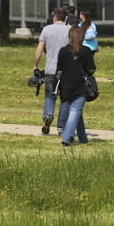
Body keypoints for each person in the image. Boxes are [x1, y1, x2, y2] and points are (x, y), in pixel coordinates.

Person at [32, 7, 72, 135]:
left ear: (54, 16)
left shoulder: (46, 29)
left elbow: (40, 49)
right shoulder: (69, 30)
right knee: (65, 99)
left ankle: (48, 115)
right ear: (64, 17)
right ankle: (62, 127)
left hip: (50, 69)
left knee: (50, 95)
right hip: (66, 70)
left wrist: (35, 65)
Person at [55, 26, 97, 146]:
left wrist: (56, 87)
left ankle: (83, 138)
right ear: (82, 37)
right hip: (80, 86)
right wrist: (86, 72)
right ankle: (67, 138)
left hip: (65, 86)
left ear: (70, 36)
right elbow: (91, 68)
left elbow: (59, 70)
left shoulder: (63, 51)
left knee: (76, 111)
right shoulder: (86, 51)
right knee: (75, 111)